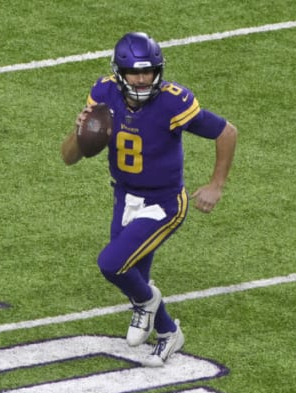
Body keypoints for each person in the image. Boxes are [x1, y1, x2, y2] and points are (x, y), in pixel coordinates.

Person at [60, 32, 237, 366]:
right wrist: (79, 130)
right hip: (125, 197)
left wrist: (216, 184)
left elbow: (226, 131)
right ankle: (170, 334)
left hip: (164, 203)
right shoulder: (103, 93)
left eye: (148, 71)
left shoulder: (173, 101)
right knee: (132, 274)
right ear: (119, 73)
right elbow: (69, 157)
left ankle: (146, 303)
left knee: (112, 264)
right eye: (134, 72)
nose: (141, 79)